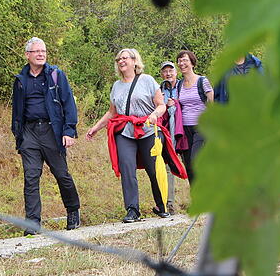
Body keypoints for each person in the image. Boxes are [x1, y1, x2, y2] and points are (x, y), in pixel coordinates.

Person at [86, 48, 185, 223]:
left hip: (147, 129)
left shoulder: (147, 80)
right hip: (125, 131)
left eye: (125, 58)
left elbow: (161, 105)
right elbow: (112, 113)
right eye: (119, 59)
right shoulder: (116, 86)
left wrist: (154, 115)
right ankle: (132, 210)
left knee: (153, 168)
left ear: (134, 61)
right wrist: (96, 127)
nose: (121, 61)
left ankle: (161, 205)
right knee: (127, 167)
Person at [11, 37, 81, 234]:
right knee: (31, 177)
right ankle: (33, 223)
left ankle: (73, 210)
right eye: (37, 51)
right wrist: (18, 134)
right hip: (29, 133)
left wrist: (69, 130)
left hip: (52, 131)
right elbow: (16, 110)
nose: (41, 54)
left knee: (61, 174)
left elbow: (68, 104)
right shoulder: (20, 80)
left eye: (43, 51)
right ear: (27, 55)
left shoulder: (56, 75)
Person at [175, 50, 214, 182]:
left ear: (192, 63)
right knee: (189, 166)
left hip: (201, 127)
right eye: (179, 61)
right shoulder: (179, 84)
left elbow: (212, 101)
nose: (182, 63)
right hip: (185, 129)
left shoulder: (202, 81)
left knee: (195, 159)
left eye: (185, 60)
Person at [159, 61, 182, 213]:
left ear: (176, 72)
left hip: (183, 130)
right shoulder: (159, 89)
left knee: (191, 163)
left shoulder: (183, 86)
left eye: (170, 70)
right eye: (165, 71)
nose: (168, 73)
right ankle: (169, 204)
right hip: (167, 132)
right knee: (167, 166)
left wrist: (175, 103)